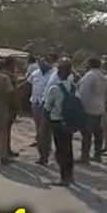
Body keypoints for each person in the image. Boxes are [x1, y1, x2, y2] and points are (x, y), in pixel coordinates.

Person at [44, 58, 77, 186]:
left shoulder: (54, 88)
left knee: (60, 150)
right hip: (70, 122)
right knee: (68, 149)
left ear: (58, 72)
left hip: (57, 122)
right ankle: (70, 175)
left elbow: (47, 108)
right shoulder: (74, 88)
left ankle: (63, 178)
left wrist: (47, 121)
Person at [77, 57, 107, 163]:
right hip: (99, 107)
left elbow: (83, 93)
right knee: (98, 133)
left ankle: (84, 156)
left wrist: (80, 106)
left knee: (87, 134)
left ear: (89, 64)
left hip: (88, 108)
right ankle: (97, 155)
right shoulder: (102, 76)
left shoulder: (89, 76)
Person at [27, 56, 55, 163]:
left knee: (45, 130)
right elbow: (28, 84)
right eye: (41, 62)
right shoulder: (35, 73)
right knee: (39, 129)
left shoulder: (54, 73)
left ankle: (44, 155)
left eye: (45, 62)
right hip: (35, 103)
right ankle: (43, 151)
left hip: (47, 105)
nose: (42, 64)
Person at [1, 56, 20, 158]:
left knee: (1, 129)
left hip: (0, 105)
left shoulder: (0, 75)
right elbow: (13, 93)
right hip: (9, 106)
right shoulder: (10, 77)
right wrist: (17, 106)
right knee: (6, 130)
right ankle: (6, 150)